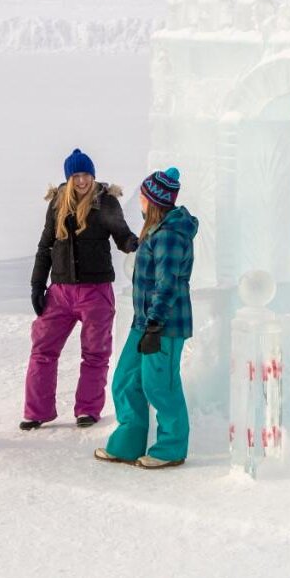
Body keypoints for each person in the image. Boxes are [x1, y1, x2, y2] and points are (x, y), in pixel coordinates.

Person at [22, 149, 139, 430]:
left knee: (95, 353)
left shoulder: (106, 202)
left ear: (93, 175)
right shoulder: (57, 204)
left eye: (86, 174)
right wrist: (38, 285)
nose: (82, 180)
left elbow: (121, 236)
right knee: (42, 351)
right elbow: (45, 246)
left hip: (95, 292)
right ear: (69, 178)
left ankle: (87, 409)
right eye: (76, 175)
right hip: (60, 292)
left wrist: (136, 245)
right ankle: (36, 411)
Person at [95, 167, 197, 469]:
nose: (139, 200)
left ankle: (170, 448)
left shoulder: (170, 236)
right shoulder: (156, 230)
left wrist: (155, 324)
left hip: (162, 324)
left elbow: (168, 284)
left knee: (159, 386)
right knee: (126, 380)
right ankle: (128, 443)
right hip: (144, 322)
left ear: (152, 201)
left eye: (142, 195)